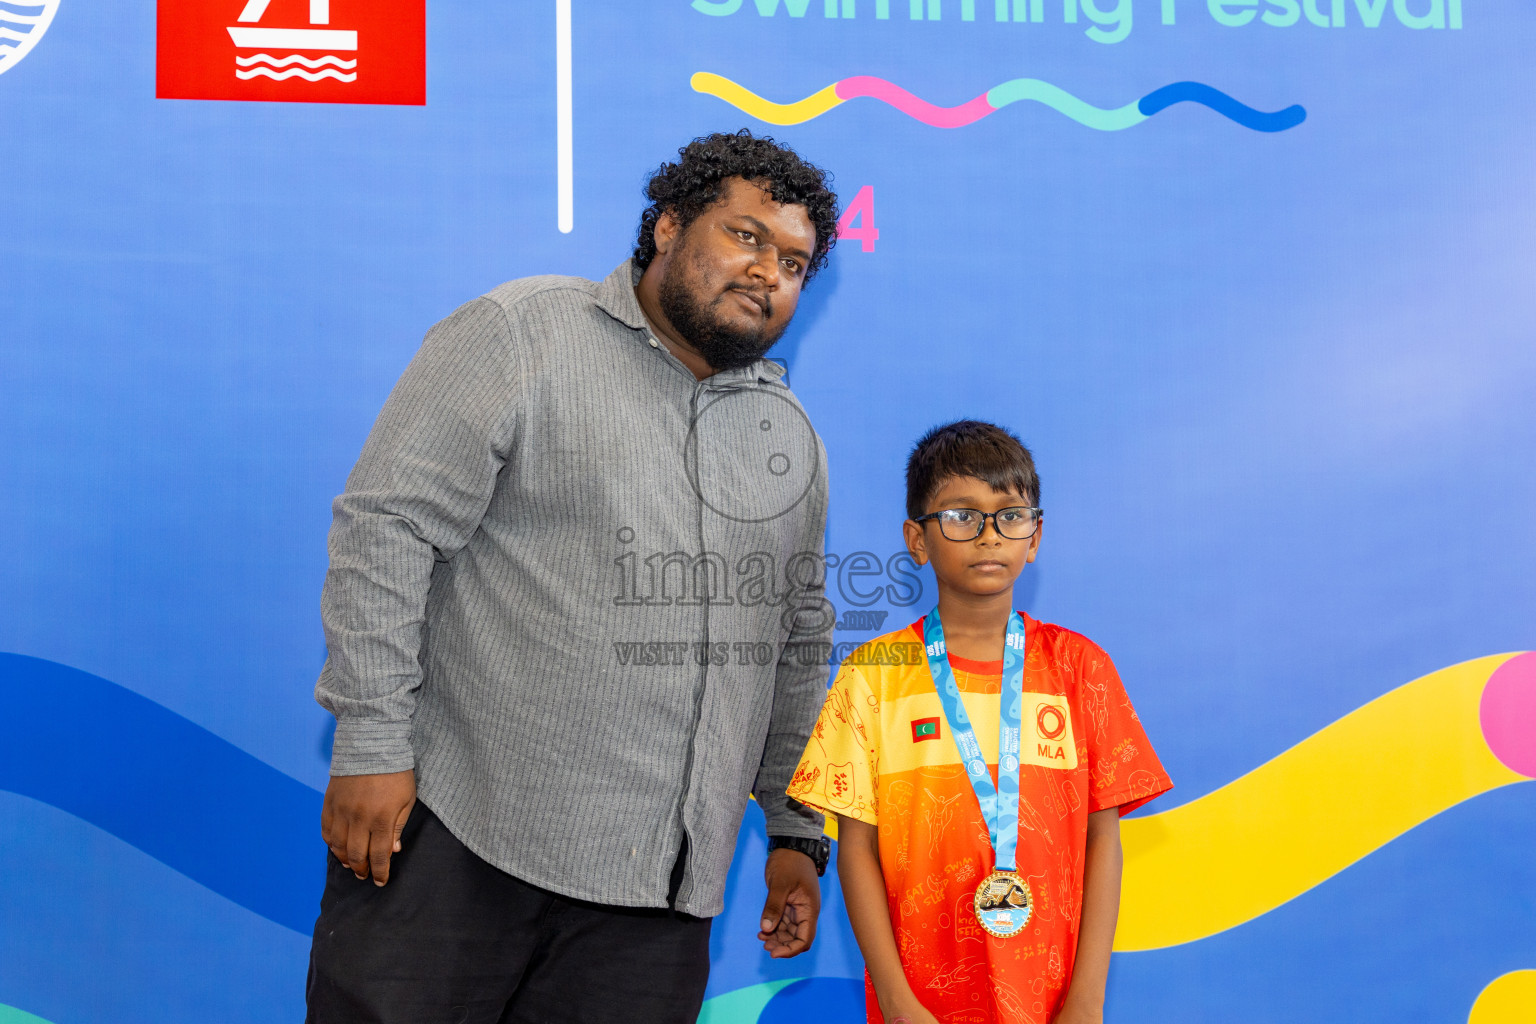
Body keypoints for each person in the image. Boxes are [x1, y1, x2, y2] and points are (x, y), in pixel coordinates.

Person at [306, 131, 841, 1024]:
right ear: (668, 225)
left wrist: (795, 828)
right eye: (746, 236)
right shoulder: (523, 333)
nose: (768, 272)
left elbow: (795, 638)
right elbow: (387, 529)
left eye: (793, 261)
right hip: (459, 842)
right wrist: (370, 742)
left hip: (656, 906)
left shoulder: (787, 437)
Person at [787, 420, 1173, 1024]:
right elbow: (856, 849)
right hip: (919, 1000)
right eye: (961, 516)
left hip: (1055, 1001)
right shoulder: (875, 675)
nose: (989, 535)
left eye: (1009, 515)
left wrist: (1087, 1001)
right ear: (918, 539)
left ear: (1035, 535)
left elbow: (1104, 838)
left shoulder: (1080, 669)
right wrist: (895, 1000)